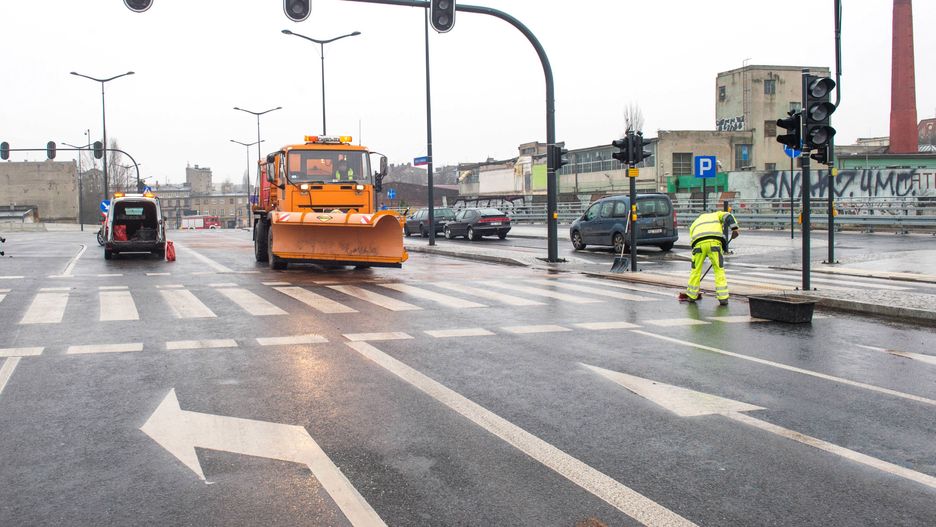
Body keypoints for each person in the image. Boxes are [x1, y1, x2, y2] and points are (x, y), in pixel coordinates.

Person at [685, 209, 739, 305]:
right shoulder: (716, 215)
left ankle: (691, 296)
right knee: (719, 270)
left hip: (698, 246)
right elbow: (728, 216)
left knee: (695, 270)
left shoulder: (695, 222)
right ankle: (723, 298)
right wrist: (734, 228)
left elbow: (692, 239)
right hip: (714, 244)